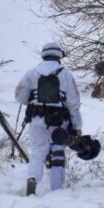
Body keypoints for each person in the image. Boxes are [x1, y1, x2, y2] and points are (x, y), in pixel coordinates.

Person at [15, 42, 82, 195]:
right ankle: (57, 189)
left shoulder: (31, 73)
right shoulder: (66, 75)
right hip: (60, 122)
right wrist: (77, 126)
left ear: (44, 54)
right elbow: (73, 104)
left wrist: (34, 103)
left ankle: (32, 178)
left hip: (37, 120)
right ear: (59, 56)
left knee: (38, 151)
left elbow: (19, 96)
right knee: (58, 150)